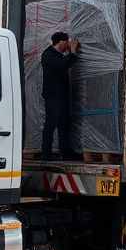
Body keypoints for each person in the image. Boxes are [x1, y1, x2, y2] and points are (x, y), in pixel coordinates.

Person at [41, 32, 79, 160]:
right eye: (67, 42)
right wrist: (72, 52)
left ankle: (66, 152)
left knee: (64, 124)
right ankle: (46, 154)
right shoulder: (48, 55)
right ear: (61, 42)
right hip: (53, 96)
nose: (68, 44)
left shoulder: (57, 55)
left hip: (61, 96)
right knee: (51, 124)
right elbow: (62, 65)